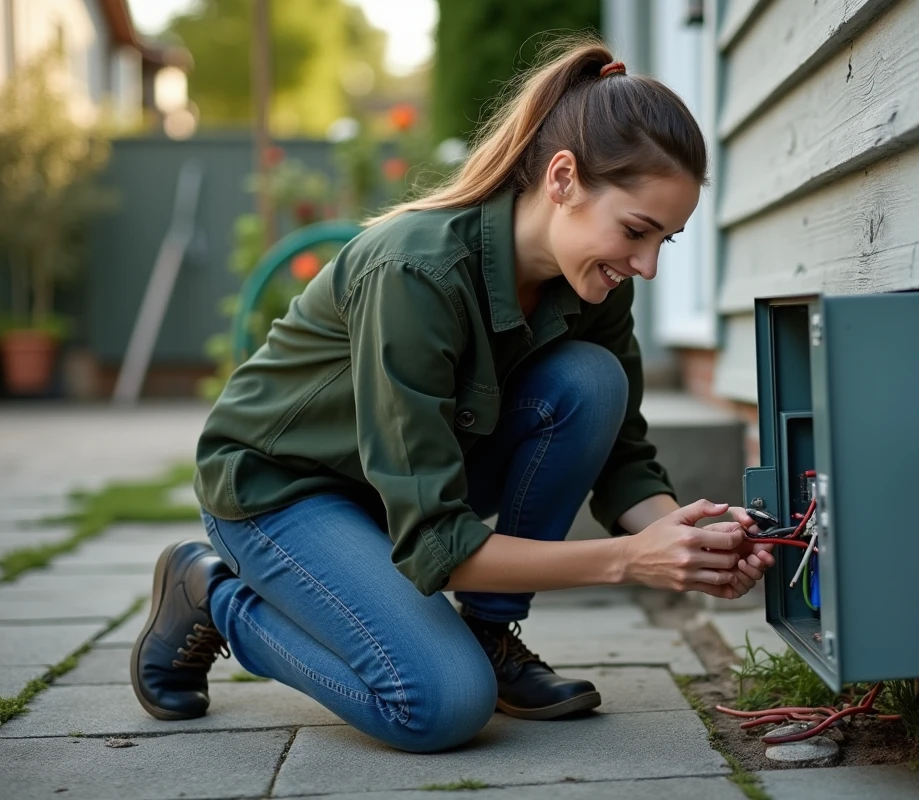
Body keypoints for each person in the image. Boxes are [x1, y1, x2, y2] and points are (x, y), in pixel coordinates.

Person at [129, 37, 776, 753]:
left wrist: (692, 539)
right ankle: (216, 597)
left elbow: (623, 458)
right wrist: (630, 559)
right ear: (562, 178)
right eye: (636, 231)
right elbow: (435, 541)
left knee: (592, 383)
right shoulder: (417, 272)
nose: (648, 265)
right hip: (280, 492)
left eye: (667, 241)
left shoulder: (594, 279)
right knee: (438, 705)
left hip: (398, 488)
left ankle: (489, 635)